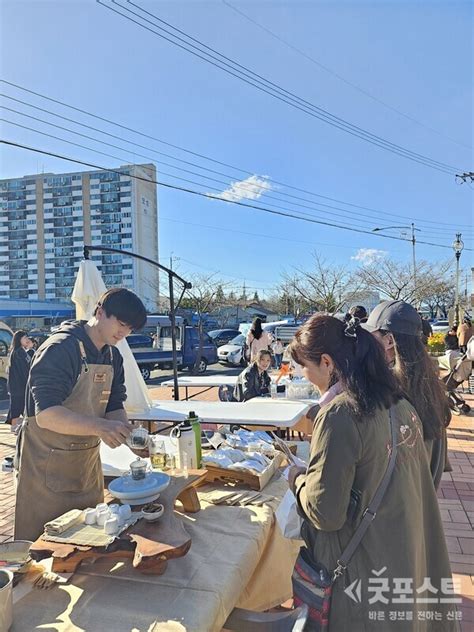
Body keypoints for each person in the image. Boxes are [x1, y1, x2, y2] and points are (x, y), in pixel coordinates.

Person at [287, 314, 457, 631]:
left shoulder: (339, 414)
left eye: (304, 367)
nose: (304, 376)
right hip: (405, 562)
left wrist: (297, 480)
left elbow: (325, 513)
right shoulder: (400, 404)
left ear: (327, 362)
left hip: (361, 580)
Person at [14, 288, 147, 541]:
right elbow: (47, 415)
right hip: (45, 467)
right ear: (99, 312)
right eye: (120, 323)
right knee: (46, 550)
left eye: (130, 329)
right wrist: (99, 427)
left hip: (85, 466)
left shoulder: (112, 355)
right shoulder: (60, 349)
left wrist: (127, 434)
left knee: (88, 543)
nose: (123, 333)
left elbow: (114, 404)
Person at [363, 300, 451, 489]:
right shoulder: (430, 386)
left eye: (372, 336)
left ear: (388, 341)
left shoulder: (388, 390)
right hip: (421, 503)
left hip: (396, 508)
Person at [6, 331, 35, 433]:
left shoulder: (18, 351)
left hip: (17, 385)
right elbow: (24, 369)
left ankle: (19, 426)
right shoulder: (19, 352)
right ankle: (14, 427)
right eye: (25, 337)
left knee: (19, 405)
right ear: (19, 339)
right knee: (17, 405)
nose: (27, 339)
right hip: (19, 385)